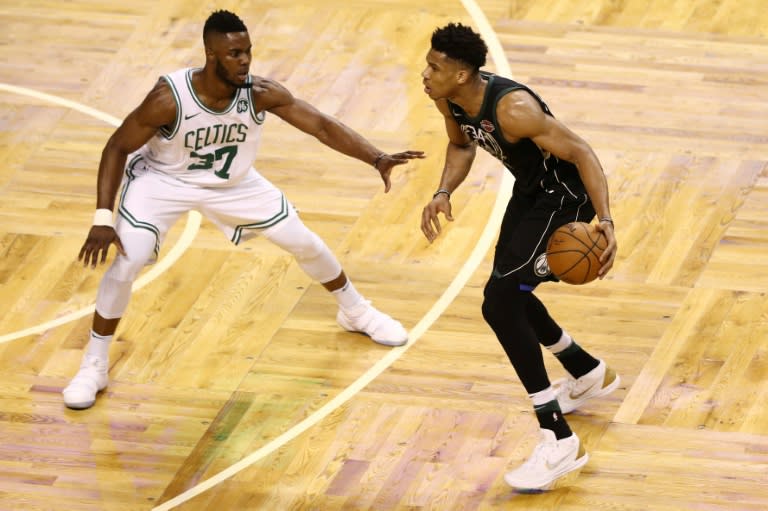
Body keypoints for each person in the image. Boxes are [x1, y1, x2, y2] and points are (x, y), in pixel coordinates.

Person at [63, 10, 425, 410]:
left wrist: (376, 158)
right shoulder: (169, 99)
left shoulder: (258, 92)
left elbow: (320, 125)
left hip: (233, 183)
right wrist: (101, 216)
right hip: (163, 183)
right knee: (127, 263)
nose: (245, 61)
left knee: (302, 240)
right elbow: (116, 147)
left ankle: (356, 312)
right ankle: (93, 364)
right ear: (211, 54)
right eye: (234, 53)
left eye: (248, 51)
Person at [420, 23, 620, 491]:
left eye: (435, 67)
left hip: (567, 199)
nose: (425, 73)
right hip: (530, 195)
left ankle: (558, 438)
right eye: (428, 63)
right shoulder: (446, 97)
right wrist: (443, 189)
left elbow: (583, 152)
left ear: (465, 74)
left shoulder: (514, 110)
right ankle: (585, 370)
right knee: (507, 292)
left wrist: (606, 220)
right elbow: (460, 143)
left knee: (500, 301)